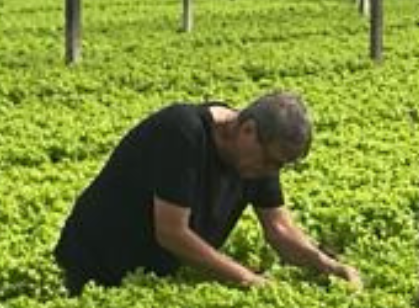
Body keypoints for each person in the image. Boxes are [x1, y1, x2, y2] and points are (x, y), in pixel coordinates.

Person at [55, 91, 359, 294]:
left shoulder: (259, 160)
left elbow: (280, 229)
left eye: (279, 165)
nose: (271, 170)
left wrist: (329, 266)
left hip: (155, 274)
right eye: (270, 160)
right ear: (248, 130)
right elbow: (172, 233)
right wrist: (247, 279)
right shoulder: (183, 133)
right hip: (98, 265)